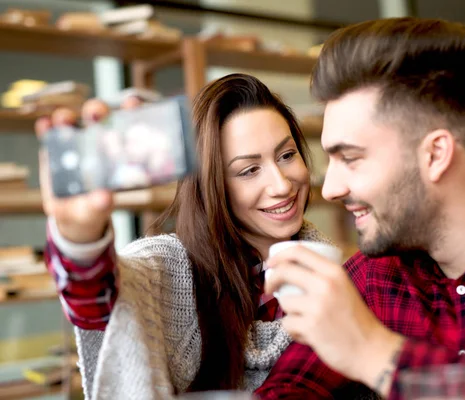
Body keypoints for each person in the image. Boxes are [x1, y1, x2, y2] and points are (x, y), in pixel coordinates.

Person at [256, 17, 465, 399]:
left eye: (350, 158)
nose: (332, 188)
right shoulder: (374, 277)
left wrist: (373, 352)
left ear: (436, 154)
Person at [37, 73, 335, 399]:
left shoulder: (338, 270)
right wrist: (79, 234)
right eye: (249, 170)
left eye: (287, 155)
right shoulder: (169, 267)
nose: (282, 185)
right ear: (212, 187)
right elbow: (95, 301)